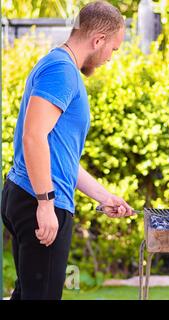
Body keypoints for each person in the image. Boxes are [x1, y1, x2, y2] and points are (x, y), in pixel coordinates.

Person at [1, 1, 134, 300]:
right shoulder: (62, 70)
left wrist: (105, 196)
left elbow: (59, 154)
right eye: (113, 49)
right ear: (97, 40)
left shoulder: (59, 67)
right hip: (39, 199)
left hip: (29, 195)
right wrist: (46, 204)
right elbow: (33, 137)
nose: (110, 58)